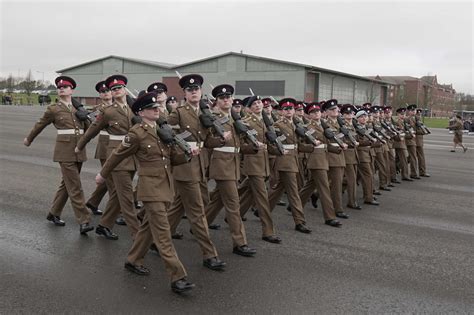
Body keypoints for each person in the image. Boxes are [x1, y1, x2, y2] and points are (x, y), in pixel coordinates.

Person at [96, 91, 195, 293]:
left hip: (165, 186)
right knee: (163, 233)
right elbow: (116, 155)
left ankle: (133, 259)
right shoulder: (136, 133)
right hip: (150, 189)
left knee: (148, 227)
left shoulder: (161, 131)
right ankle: (177, 277)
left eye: (157, 107)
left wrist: (187, 155)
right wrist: (103, 174)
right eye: (152, 108)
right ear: (141, 112)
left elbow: (170, 160)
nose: (156, 110)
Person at [166, 74, 225, 271]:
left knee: (177, 208)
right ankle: (209, 254)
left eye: (197, 89)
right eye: (190, 90)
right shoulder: (179, 113)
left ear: (201, 92)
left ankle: (149, 239)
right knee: (198, 212)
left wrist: (222, 140)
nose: (193, 92)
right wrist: (183, 150)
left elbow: (206, 141)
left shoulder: (205, 113)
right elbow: (168, 135)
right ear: (184, 93)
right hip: (185, 166)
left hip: (200, 165)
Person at [23, 76, 94, 234]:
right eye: (59, 87)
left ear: (72, 90)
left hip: (79, 151)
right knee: (75, 186)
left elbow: (90, 130)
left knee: (67, 185)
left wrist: (87, 118)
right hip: (64, 151)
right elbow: (39, 125)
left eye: (66, 86)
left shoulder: (78, 109)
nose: (62, 88)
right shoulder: (53, 109)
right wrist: (29, 139)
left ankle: (54, 213)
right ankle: (84, 220)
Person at [75, 75, 140, 240]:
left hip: (132, 156)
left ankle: (104, 225)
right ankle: (139, 236)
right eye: (113, 89)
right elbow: (93, 129)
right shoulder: (108, 111)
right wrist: (80, 145)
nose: (116, 91)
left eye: (119, 88)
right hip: (116, 156)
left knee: (118, 194)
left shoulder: (134, 109)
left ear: (125, 89)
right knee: (125, 197)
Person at [204, 85, 257, 256]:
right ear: (217, 102)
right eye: (222, 98)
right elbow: (207, 141)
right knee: (234, 204)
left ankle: (200, 225)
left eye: (228, 97)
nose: (226, 100)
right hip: (222, 164)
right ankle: (239, 243)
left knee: (218, 200)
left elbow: (238, 145)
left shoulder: (236, 119)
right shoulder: (214, 117)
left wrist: (254, 147)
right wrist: (220, 139)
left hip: (233, 163)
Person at [238, 95, 282, 242]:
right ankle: (268, 231)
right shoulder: (246, 122)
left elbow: (268, 145)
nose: (258, 105)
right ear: (249, 108)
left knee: (249, 192)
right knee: (262, 198)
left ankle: (233, 215)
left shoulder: (265, 122)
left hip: (263, 164)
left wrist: (279, 151)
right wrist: (254, 146)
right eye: (254, 104)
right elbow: (242, 146)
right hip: (253, 164)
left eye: (259, 103)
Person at [268, 98, 314, 233]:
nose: (289, 111)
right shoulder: (277, 125)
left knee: (278, 189)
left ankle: (262, 210)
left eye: (291, 109)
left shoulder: (297, 124)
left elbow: (298, 144)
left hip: (293, 159)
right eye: (286, 109)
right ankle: (300, 221)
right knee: (293, 192)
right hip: (284, 160)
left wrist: (312, 147)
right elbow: (273, 143)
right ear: (281, 111)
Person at [298, 102, 342, 227]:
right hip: (316, 160)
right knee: (324, 188)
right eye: (313, 112)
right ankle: (329, 217)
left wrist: (337, 149)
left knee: (311, 185)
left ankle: (295, 205)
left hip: (325, 158)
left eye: (317, 111)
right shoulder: (306, 127)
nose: (316, 113)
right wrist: (312, 146)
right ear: (309, 115)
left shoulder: (324, 125)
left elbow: (326, 144)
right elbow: (301, 145)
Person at [84, 80, 113, 216]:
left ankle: (93, 201)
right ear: (99, 95)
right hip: (105, 144)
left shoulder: (122, 106)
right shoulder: (98, 110)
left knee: (109, 177)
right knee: (112, 178)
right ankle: (117, 211)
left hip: (119, 144)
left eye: (107, 90)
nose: (106, 93)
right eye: (102, 92)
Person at [323, 99, 351, 219]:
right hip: (331, 154)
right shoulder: (324, 124)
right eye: (332, 109)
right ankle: (338, 209)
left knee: (330, 183)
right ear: (327, 112)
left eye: (336, 109)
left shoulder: (341, 123)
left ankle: (312, 196)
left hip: (340, 154)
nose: (336, 111)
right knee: (335, 184)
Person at [354, 110, 380, 206]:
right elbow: (356, 142)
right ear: (357, 119)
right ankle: (368, 197)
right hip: (361, 154)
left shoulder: (367, 127)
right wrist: (370, 143)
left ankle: (368, 194)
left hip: (368, 153)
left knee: (357, 177)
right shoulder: (356, 129)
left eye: (365, 116)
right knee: (368, 175)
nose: (364, 118)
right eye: (361, 117)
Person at [415, 109, 431, 177]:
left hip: (419, 141)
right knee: (421, 157)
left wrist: (426, 130)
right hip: (417, 141)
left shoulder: (419, 120)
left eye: (420, 114)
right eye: (418, 114)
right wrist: (423, 132)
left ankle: (397, 166)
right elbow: (416, 131)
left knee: (411, 157)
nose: (419, 115)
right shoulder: (416, 120)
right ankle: (422, 171)